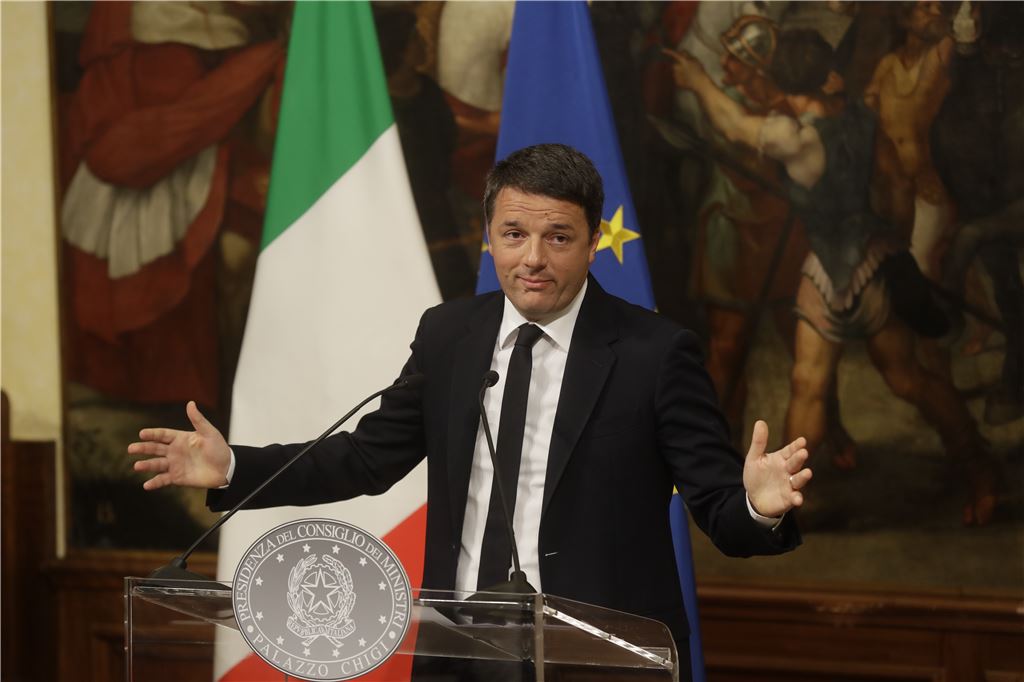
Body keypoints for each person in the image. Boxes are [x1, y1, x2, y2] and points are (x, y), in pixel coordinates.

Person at [129, 143, 811, 680]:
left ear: (593, 242)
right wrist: (235, 467)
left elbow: (719, 511)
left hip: (601, 660)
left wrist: (757, 506)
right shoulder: (449, 335)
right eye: (514, 234)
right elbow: (366, 458)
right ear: (489, 236)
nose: (532, 259)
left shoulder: (654, 354)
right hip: (456, 655)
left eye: (558, 237)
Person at [667, 29, 994, 526]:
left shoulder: (793, 137)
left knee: (817, 386)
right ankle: (977, 468)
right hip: (871, 262)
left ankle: (975, 468)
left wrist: (697, 82)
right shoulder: (859, 118)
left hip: (829, 274)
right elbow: (896, 186)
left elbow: (732, 123)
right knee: (892, 377)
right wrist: (892, 241)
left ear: (782, 79)